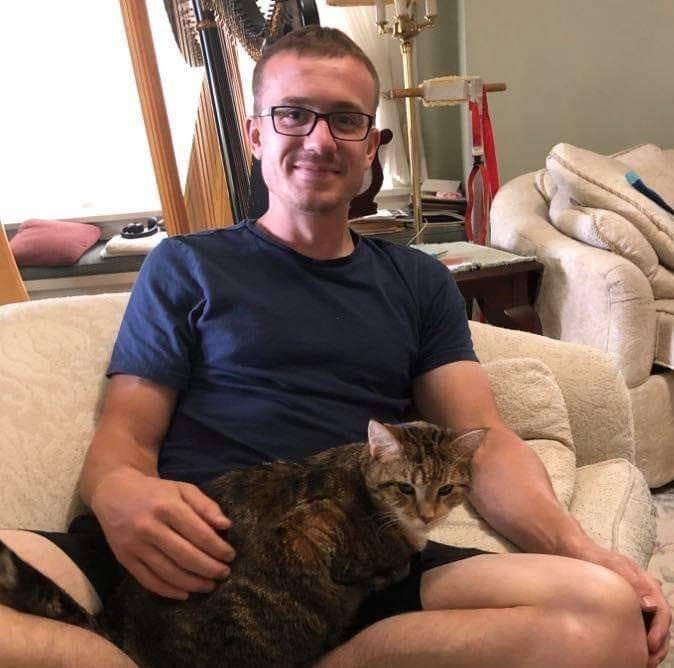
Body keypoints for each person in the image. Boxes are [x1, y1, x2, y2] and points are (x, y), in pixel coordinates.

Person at [0, 26, 669, 668]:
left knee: (605, 618)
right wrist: (119, 493)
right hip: (191, 549)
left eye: (345, 120)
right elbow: (125, 436)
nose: (319, 140)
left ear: (370, 145)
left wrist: (583, 551)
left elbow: (483, 439)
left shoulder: (419, 281)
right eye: (293, 114)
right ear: (256, 134)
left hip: (359, 562)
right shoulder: (186, 265)